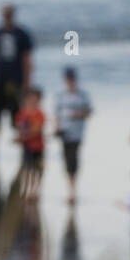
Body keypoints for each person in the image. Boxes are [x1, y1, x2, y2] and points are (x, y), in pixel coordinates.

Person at [0, 4, 34, 159]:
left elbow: (27, 59)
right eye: (5, 14)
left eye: (9, 13)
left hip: (16, 80)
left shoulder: (22, 34)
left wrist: (27, 81)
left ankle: (24, 144)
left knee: (18, 113)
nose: (7, 16)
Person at [54, 67, 93, 204]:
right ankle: (70, 189)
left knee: (73, 159)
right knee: (66, 160)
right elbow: (57, 114)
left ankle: (73, 191)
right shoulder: (61, 95)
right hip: (64, 132)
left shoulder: (82, 95)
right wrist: (56, 128)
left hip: (77, 133)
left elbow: (89, 111)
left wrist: (77, 114)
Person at [14, 86, 46, 201]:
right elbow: (19, 126)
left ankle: (35, 191)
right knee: (27, 169)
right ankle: (27, 189)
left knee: (38, 170)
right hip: (27, 147)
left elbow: (37, 130)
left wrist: (22, 137)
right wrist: (20, 136)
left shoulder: (40, 114)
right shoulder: (22, 114)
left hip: (38, 147)